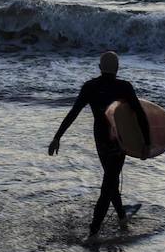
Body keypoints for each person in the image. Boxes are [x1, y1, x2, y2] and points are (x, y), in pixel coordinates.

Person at [48, 52, 150, 240]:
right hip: (118, 139)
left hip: (101, 138)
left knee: (110, 179)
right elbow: (140, 115)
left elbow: (74, 112)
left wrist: (57, 137)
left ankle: (121, 216)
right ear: (117, 68)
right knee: (109, 183)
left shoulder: (90, 86)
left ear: (99, 67)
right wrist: (146, 143)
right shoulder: (124, 87)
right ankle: (93, 232)